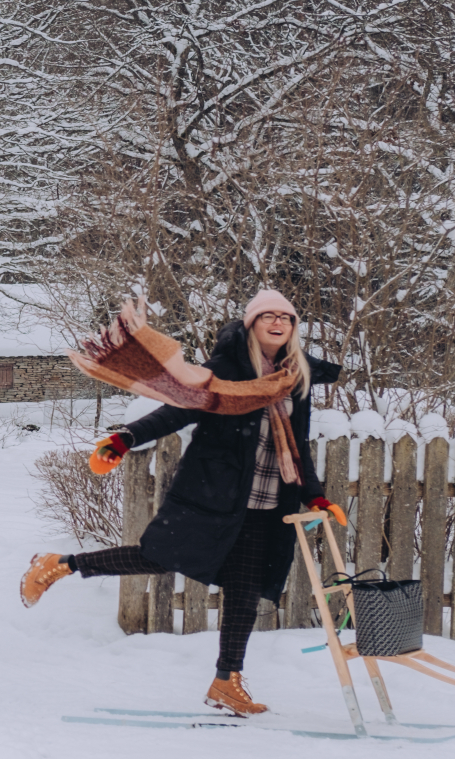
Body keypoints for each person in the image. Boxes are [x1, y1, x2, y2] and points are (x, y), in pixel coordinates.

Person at [18, 290, 346, 717]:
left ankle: (226, 681)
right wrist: (126, 437)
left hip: (267, 502)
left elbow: (297, 445)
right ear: (252, 324)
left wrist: (314, 494)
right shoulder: (226, 370)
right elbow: (179, 410)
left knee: (245, 595)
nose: (278, 322)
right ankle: (61, 564)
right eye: (268, 315)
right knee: (159, 557)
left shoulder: (295, 378)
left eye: (287, 316)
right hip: (214, 492)